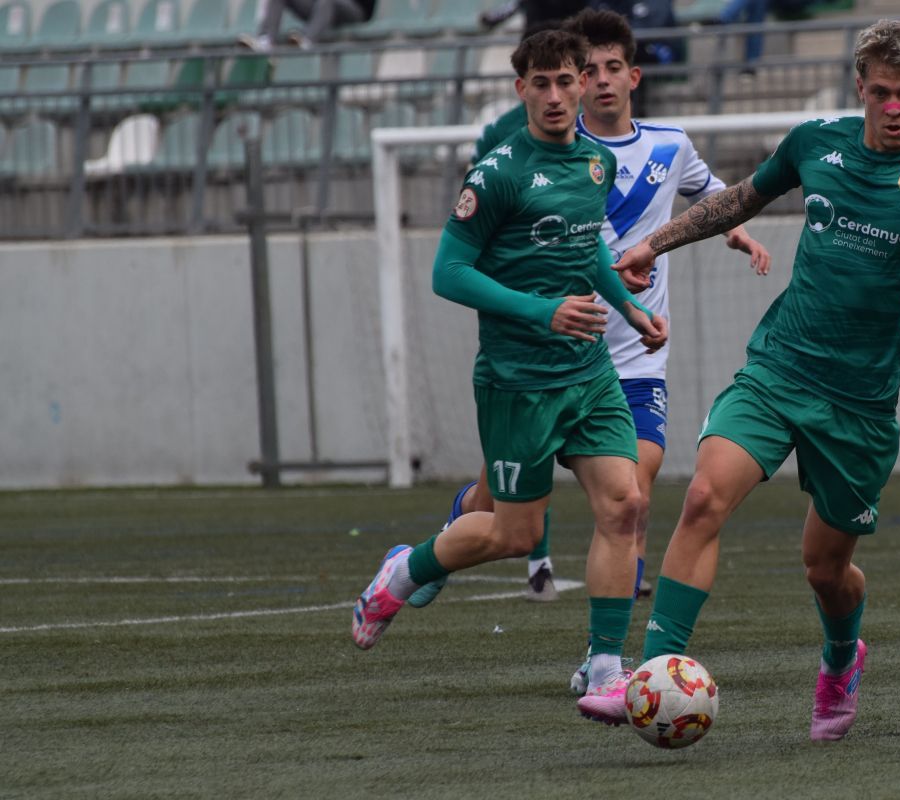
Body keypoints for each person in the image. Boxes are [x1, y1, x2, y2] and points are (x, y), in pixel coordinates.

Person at [593, 19, 900, 740]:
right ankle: (654, 671)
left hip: (860, 405)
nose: (893, 108)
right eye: (881, 93)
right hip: (779, 368)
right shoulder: (814, 141)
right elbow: (739, 200)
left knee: (825, 571)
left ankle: (840, 656)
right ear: (860, 87)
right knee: (702, 496)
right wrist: (649, 244)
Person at [406, 8, 772, 697]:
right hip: (536, 362)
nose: (592, 84)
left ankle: (606, 656)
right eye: (581, 73)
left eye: (604, 71)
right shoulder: (526, 163)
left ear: (629, 76)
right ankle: (446, 545)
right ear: (537, 88)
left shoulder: (666, 144)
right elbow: (541, 252)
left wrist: (736, 235)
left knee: (630, 494)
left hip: (624, 357)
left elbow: (714, 196)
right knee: (510, 518)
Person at [349, 29, 667, 725]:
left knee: (626, 505)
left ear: (583, 84)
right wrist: (541, 311)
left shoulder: (593, 165)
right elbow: (448, 274)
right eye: (540, 83)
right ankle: (402, 574)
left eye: (566, 81)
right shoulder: (497, 175)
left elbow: (586, 255)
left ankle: (606, 668)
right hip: (518, 381)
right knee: (514, 536)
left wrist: (631, 309)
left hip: (590, 373)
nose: (555, 96)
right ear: (520, 89)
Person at [242, 0, 376, 51]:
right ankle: (266, 39)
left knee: (327, 2)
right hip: (321, 9)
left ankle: (307, 41)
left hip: (356, 10)